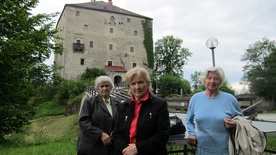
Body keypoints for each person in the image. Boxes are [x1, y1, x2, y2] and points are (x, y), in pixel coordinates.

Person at [186, 66, 243, 155]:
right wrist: (192, 133)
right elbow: (189, 120)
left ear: (220, 81)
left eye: (216, 79)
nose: (212, 81)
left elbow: (242, 121)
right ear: (204, 80)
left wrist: (234, 124)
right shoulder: (195, 98)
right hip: (202, 149)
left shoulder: (230, 99)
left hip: (226, 150)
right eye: (209, 78)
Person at [113, 67, 170, 155]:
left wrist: (138, 148)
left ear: (148, 84)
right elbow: (116, 134)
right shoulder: (123, 106)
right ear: (129, 86)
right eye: (133, 83)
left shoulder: (159, 105)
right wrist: (127, 149)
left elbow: (163, 135)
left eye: (140, 82)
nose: (137, 87)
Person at [77, 76, 120, 155]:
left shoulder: (117, 103)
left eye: (107, 86)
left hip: (109, 146)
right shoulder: (90, 102)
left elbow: (120, 121)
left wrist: (115, 132)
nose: (104, 88)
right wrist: (100, 134)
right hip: (91, 146)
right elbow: (83, 122)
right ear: (97, 88)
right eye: (102, 86)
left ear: (111, 87)